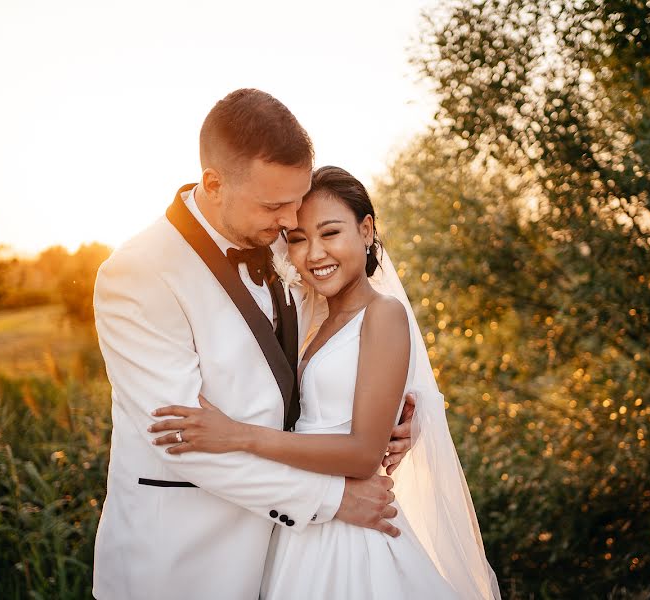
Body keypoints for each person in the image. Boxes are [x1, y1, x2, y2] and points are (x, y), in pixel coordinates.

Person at [91, 90, 417, 599]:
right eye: (275, 205)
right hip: (183, 564)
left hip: (288, 556)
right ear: (215, 184)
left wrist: (394, 415)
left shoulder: (284, 243)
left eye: (297, 198)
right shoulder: (139, 273)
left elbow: (335, 357)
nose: (292, 221)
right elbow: (183, 443)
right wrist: (333, 499)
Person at [150, 166, 502, 599]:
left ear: (366, 229)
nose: (314, 253)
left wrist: (238, 436)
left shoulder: (384, 313)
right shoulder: (309, 314)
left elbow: (361, 454)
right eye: (298, 239)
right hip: (302, 524)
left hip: (352, 536)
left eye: (331, 233)